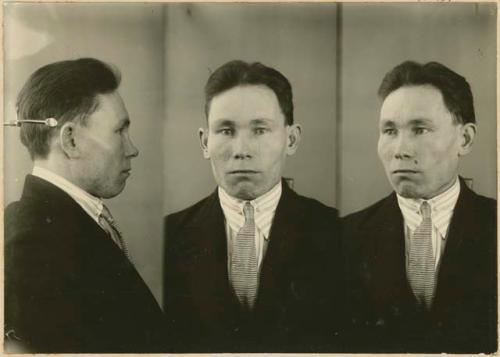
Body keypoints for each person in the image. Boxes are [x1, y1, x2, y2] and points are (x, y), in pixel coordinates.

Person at [163, 60, 344, 352]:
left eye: (260, 130)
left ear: (292, 139)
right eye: (226, 130)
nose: (242, 151)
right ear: (204, 142)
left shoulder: (337, 234)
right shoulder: (167, 238)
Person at [4, 58, 165, 353]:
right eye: (119, 132)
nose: (133, 149)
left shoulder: (52, 224)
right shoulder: (34, 245)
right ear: (71, 141)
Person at [343, 61, 497, 353]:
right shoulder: (344, 238)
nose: (401, 149)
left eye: (420, 129)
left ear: (465, 139)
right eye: (389, 131)